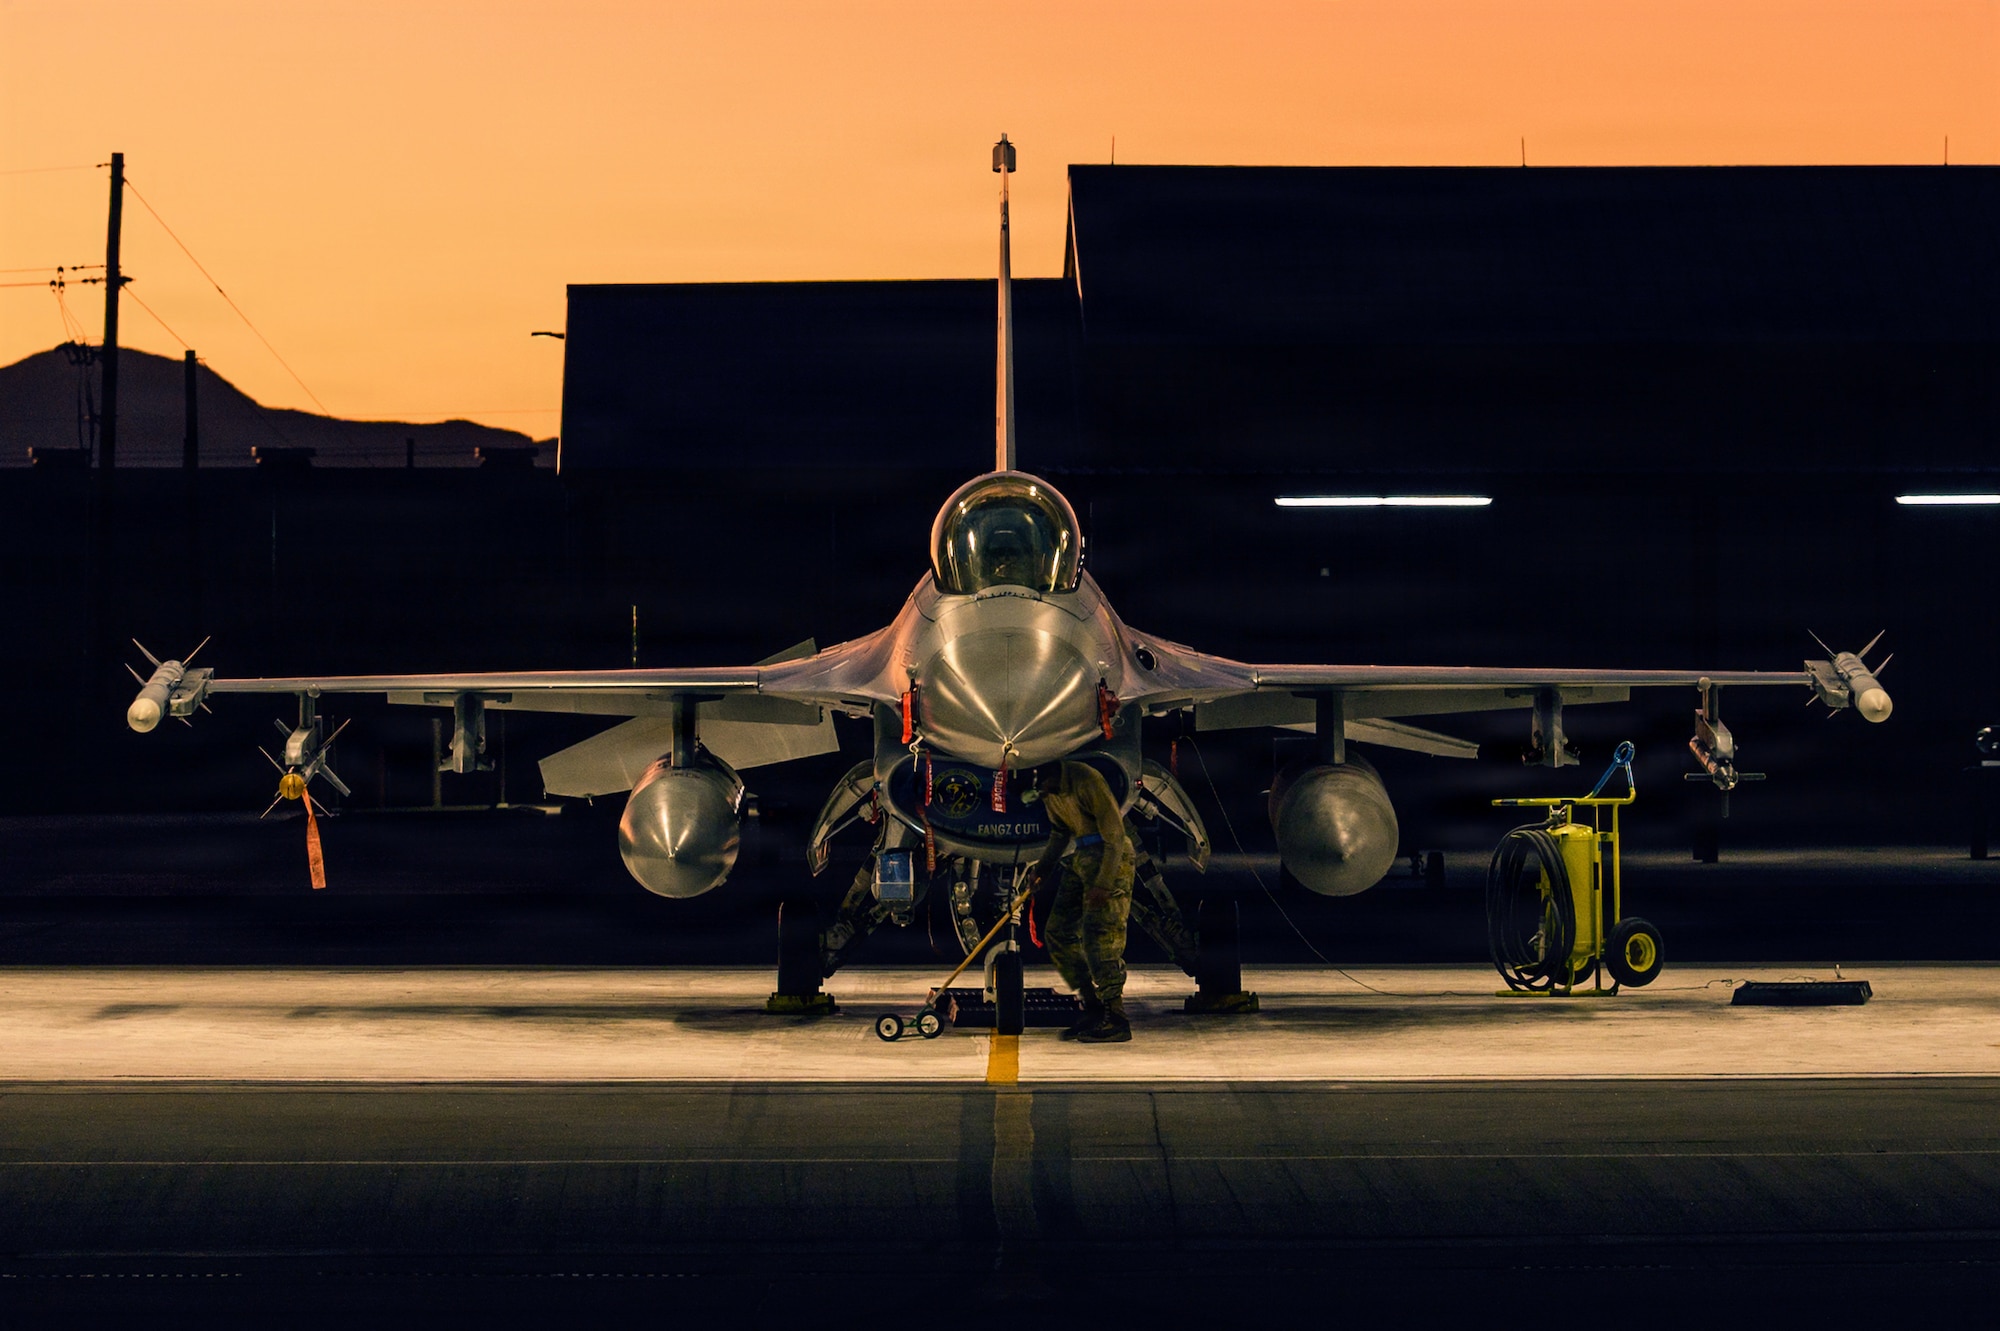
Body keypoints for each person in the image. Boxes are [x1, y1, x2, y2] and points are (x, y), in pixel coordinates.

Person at [1028, 760, 1137, 1042]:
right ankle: (1092, 1005)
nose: (1041, 792)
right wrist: (1042, 869)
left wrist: (1104, 884)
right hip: (1083, 856)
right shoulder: (1049, 789)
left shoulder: (1086, 780)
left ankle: (1116, 1017)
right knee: (1058, 930)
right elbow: (1060, 832)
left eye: (1041, 784)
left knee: (1101, 934)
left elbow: (1115, 837)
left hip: (1110, 856)